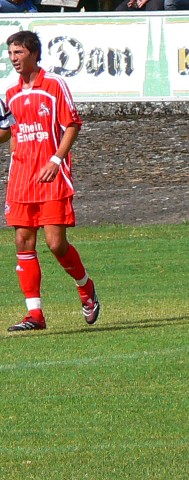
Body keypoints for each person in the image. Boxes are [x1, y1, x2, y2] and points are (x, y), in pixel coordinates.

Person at [2, 30, 100, 332]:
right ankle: (35, 314)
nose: (13, 58)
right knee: (23, 241)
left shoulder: (54, 85)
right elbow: (10, 131)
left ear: (33, 53)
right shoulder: (10, 94)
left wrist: (56, 160)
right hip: (21, 177)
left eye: (18, 52)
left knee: (56, 244)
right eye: (10, 53)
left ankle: (86, 288)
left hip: (51, 175)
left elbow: (72, 123)